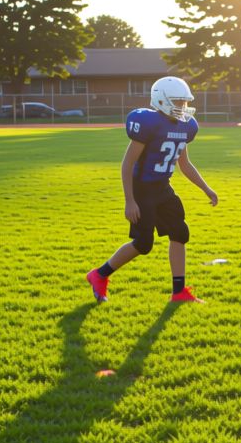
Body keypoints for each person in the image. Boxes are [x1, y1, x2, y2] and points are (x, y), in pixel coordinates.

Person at [87, 76, 219, 303]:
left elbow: (184, 164)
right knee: (143, 244)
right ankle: (99, 275)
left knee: (180, 232)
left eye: (184, 102)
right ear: (161, 100)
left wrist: (206, 188)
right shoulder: (149, 123)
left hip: (163, 188)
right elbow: (127, 164)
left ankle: (179, 292)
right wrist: (130, 200)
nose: (182, 106)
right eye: (177, 102)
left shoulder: (185, 126)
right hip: (142, 190)